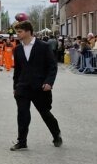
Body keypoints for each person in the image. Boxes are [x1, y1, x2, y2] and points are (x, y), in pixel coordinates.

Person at [10, 20, 61, 150]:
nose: (17, 34)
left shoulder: (43, 46)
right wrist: (15, 87)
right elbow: (18, 70)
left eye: (20, 31)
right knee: (22, 114)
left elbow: (52, 66)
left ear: (28, 31)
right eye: (17, 31)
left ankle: (56, 134)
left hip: (40, 87)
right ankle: (22, 142)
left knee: (45, 113)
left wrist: (49, 82)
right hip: (23, 87)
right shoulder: (18, 49)